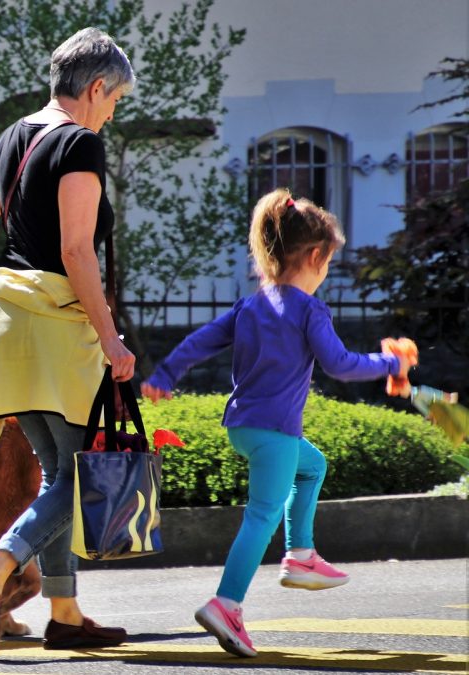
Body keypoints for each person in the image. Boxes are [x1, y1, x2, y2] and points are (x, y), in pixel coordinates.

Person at [140, 188, 417, 658]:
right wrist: (390, 364)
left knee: (312, 466)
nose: (326, 270)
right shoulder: (309, 309)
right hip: (275, 433)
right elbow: (340, 364)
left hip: (243, 428)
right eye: (328, 261)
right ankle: (226, 604)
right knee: (262, 515)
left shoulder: (251, 305)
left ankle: (301, 555)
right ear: (314, 256)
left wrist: (165, 374)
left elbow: (201, 340)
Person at [0, 27, 136, 651]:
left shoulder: (12, 138)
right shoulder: (79, 144)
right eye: (115, 99)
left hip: (4, 324)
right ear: (96, 86)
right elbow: (76, 250)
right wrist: (111, 339)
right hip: (56, 325)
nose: (112, 112)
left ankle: (67, 617)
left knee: (58, 474)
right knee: (80, 478)